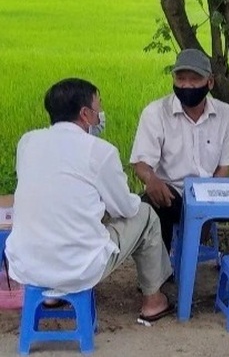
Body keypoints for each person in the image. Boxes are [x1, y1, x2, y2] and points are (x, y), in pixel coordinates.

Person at [5, 78, 174, 323]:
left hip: (25, 264)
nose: (100, 114)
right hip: (78, 266)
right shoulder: (99, 151)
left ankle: (52, 296)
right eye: (98, 108)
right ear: (85, 114)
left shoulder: (27, 142)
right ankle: (153, 301)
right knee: (145, 214)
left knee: (64, 212)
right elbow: (125, 208)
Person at [130, 49, 229, 255]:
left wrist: (207, 207)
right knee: (151, 204)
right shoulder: (156, 112)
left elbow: (224, 167)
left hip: (213, 192)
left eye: (194, 79)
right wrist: (151, 179)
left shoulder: (225, 114)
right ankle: (159, 273)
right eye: (181, 78)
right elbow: (141, 164)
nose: (186, 85)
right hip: (173, 194)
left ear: (210, 82)